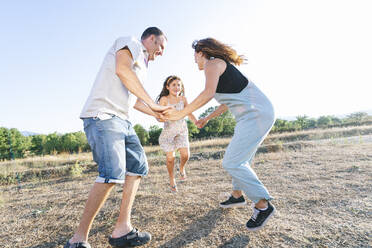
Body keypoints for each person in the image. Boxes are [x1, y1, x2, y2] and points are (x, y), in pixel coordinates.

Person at [64, 27, 169, 248]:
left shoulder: (143, 67)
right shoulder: (130, 42)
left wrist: (156, 113)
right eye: (161, 46)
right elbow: (122, 70)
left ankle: (122, 230)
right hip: (103, 115)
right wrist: (153, 103)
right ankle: (78, 240)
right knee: (112, 174)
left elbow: (134, 99)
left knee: (138, 166)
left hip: (123, 119)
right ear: (151, 39)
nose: (161, 52)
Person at [164, 38, 276, 231]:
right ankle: (236, 195)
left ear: (201, 52)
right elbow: (226, 103)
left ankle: (262, 204)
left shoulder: (212, 63)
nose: (195, 61)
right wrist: (207, 118)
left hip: (255, 114)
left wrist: (181, 113)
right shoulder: (218, 66)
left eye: (195, 56)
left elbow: (208, 93)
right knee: (241, 159)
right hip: (252, 115)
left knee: (232, 162)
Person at [156, 75, 197, 192]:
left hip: (181, 131)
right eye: (173, 85)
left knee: (185, 155)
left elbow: (189, 112)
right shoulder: (164, 99)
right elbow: (159, 115)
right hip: (168, 133)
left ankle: (182, 168)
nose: (176, 87)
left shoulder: (183, 99)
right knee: (170, 158)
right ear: (168, 87)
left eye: (179, 85)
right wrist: (160, 119)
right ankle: (171, 179)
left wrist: (196, 121)